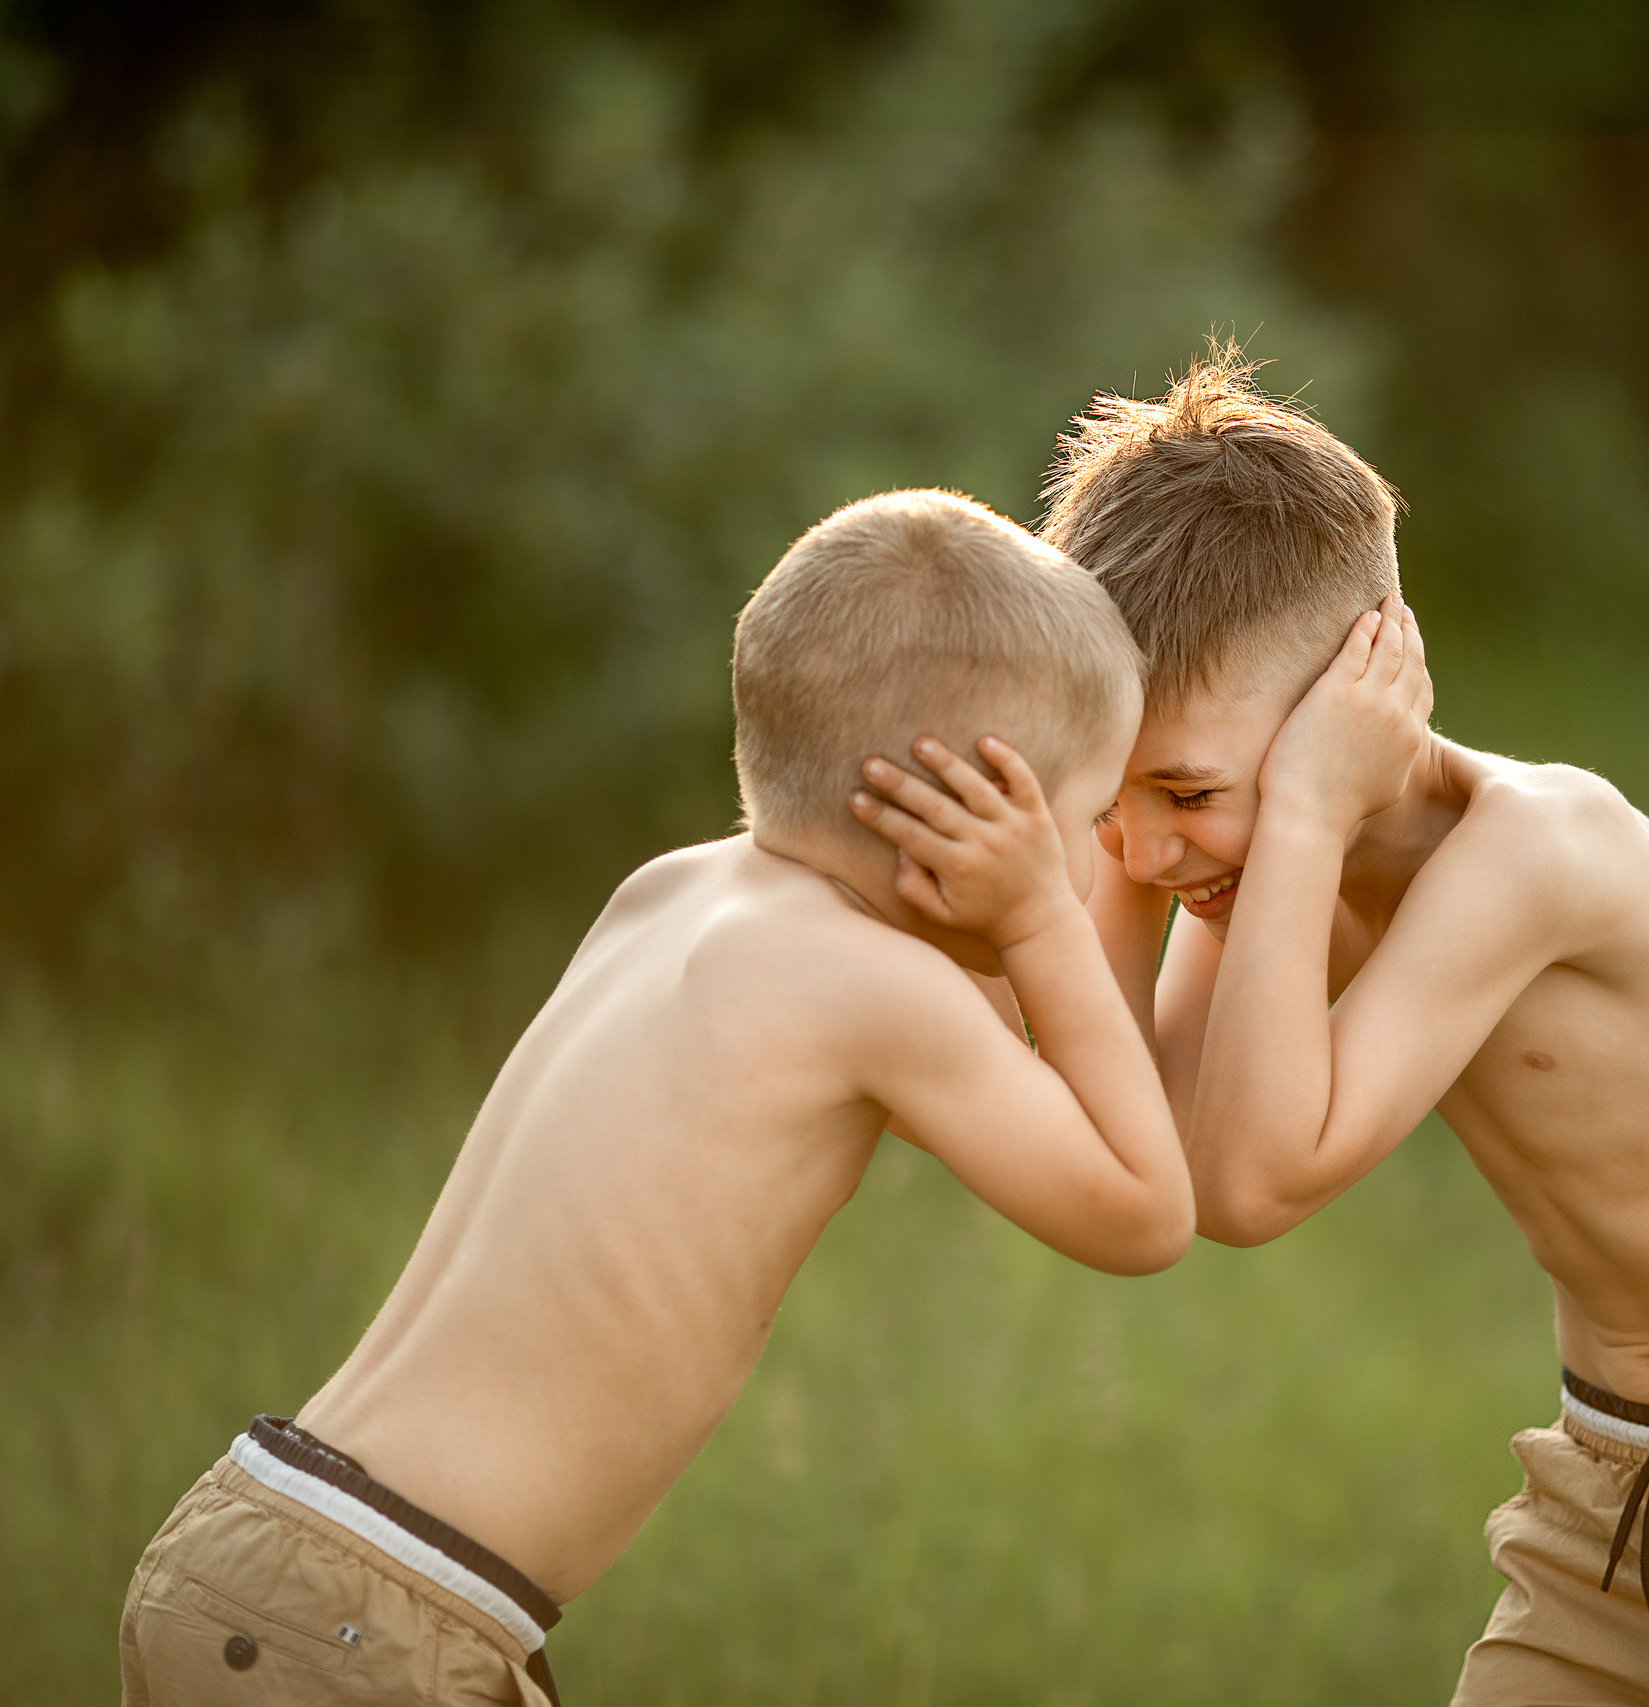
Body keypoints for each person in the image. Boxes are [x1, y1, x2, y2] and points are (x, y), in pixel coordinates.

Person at [862, 353, 1649, 1704]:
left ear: (1353, 705)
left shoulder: (1537, 851)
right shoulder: (1253, 867)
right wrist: (1130, 864)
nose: (1143, 839)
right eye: (1115, 793)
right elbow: (1162, 1155)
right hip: (1611, 1504)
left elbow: (1259, 1181)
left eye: (1187, 789)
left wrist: (1304, 811)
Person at [118, 490, 1194, 1706]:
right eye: (1090, 821)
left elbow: (1017, 1066)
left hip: (279, 1550)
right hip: (378, 1627)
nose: (1105, 858)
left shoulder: (674, 894)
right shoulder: (867, 990)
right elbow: (1142, 1209)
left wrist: (1035, 910)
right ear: (964, 818)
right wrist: (1046, 912)